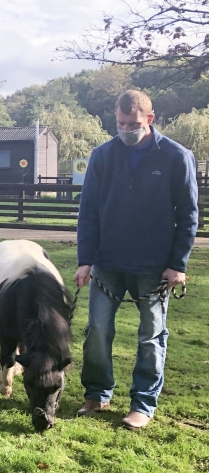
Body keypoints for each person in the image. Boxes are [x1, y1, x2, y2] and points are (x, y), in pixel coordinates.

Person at [74, 90, 198, 429]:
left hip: (154, 266)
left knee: (151, 336)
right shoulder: (102, 156)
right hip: (107, 263)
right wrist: (85, 260)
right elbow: (88, 212)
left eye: (134, 124)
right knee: (97, 330)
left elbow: (188, 215)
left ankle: (142, 404)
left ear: (150, 119)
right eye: (121, 123)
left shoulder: (176, 156)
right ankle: (97, 393)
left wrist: (178, 264)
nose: (127, 129)